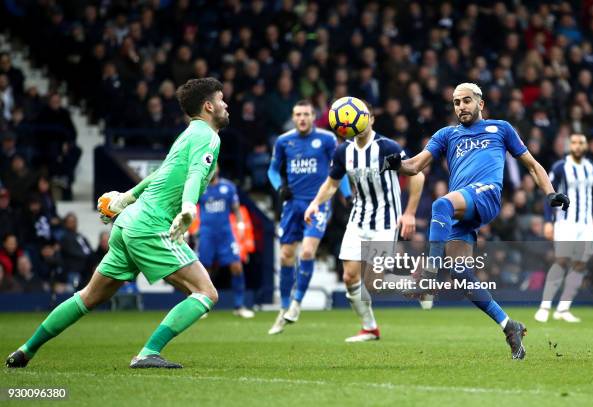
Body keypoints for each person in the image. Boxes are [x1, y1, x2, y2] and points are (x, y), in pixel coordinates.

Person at [7, 77, 228, 369]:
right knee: (206, 292)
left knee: (88, 296)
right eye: (222, 99)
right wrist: (188, 208)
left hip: (128, 223)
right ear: (209, 106)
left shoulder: (188, 134)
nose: (226, 105)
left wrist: (126, 198)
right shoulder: (209, 136)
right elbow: (195, 176)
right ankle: (148, 352)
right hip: (152, 225)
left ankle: (26, 349)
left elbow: (160, 174)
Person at [380, 83, 570, 359]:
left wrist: (550, 193)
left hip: (486, 195)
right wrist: (397, 163)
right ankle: (509, 325)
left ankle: (430, 276)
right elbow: (415, 165)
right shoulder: (446, 135)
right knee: (461, 274)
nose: (461, 107)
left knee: (440, 204)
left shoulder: (500, 128)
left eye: (466, 101)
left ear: (480, 103)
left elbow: (531, 164)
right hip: (463, 209)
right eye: (456, 103)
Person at [304, 106, 425, 342]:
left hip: (385, 219)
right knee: (349, 277)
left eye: (363, 116)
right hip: (358, 218)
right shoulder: (344, 152)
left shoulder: (385, 148)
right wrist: (315, 203)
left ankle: (414, 283)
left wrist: (409, 213)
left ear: (370, 119)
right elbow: (331, 184)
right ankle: (370, 328)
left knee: (374, 282)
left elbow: (416, 174)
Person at [266, 100, 351, 335]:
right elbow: (272, 170)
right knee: (285, 256)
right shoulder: (284, 141)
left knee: (306, 251)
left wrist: (347, 194)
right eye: (298, 114)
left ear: (314, 116)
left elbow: (338, 168)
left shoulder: (326, 139)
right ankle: (283, 308)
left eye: (306, 114)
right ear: (293, 117)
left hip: (318, 204)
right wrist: (279, 187)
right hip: (292, 204)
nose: (302, 118)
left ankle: (296, 303)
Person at [535, 133, 593, 323]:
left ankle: (563, 308)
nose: (577, 146)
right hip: (565, 221)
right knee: (562, 261)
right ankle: (544, 306)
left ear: (585, 146)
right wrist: (548, 221)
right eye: (574, 142)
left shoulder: (590, 167)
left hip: (585, 223)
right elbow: (549, 194)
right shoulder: (560, 167)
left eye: (580, 143)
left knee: (581, 264)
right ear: (570, 145)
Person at [197, 165, 254, 319]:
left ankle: (239, 306)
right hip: (207, 234)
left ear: (219, 169)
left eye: (214, 167)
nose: (212, 170)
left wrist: (241, 225)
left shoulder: (228, 187)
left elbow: (236, 209)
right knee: (204, 270)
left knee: (236, 266)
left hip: (226, 234)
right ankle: (202, 306)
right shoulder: (200, 188)